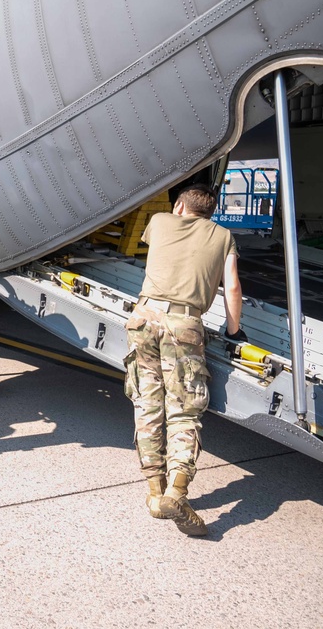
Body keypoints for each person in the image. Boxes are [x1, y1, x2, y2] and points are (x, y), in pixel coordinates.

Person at [123, 185, 244, 536]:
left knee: (147, 404)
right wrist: (234, 331)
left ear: (179, 206)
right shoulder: (223, 236)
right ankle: (177, 491)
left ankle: (154, 491)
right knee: (184, 411)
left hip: (143, 318)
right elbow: (232, 287)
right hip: (184, 326)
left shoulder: (160, 221)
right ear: (211, 212)